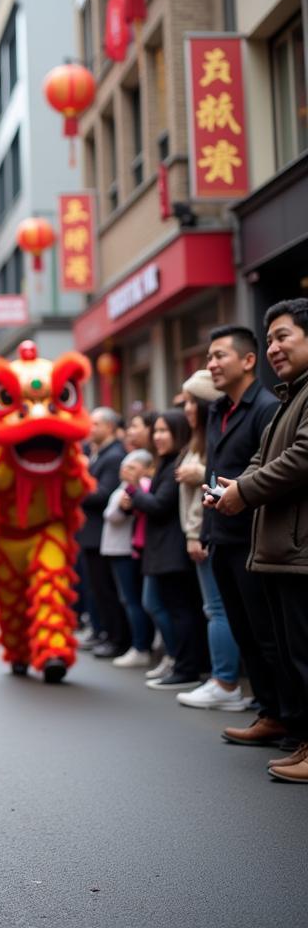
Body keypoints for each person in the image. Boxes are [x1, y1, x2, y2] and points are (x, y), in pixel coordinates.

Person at [212, 299, 308, 781]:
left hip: (298, 548)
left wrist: (244, 492)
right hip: (278, 548)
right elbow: (260, 459)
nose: (273, 347)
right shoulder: (290, 396)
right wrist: (236, 488)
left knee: (301, 651)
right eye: (269, 338)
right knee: (288, 651)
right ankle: (296, 734)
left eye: (283, 337)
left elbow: (302, 457)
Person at [201, 324, 285, 747]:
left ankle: (285, 717)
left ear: (248, 360)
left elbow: (269, 475)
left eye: (220, 356)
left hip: (254, 540)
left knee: (267, 635)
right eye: (209, 357)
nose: (212, 364)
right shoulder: (217, 410)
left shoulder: (267, 408)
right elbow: (209, 470)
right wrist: (203, 530)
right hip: (221, 537)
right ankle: (268, 711)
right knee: (244, 632)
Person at [174, 370, 246, 713]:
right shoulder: (199, 439)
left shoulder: (215, 436)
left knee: (217, 609)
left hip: (212, 532)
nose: (186, 408)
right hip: (204, 532)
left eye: (191, 401)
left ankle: (225, 681)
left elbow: (220, 482)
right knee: (215, 608)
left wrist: (195, 534)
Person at [122, 410, 206, 690]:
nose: (157, 436)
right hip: (161, 550)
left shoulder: (175, 466)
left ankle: (185, 666)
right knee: (161, 605)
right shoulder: (167, 462)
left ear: (179, 432)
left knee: (178, 609)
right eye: (155, 431)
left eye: (164, 431)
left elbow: (159, 506)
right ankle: (177, 660)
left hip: (172, 551)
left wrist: (134, 491)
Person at [79, 408, 128, 658]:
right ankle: (104, 633)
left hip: (102, 534)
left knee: (107, 590)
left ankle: (116, 638)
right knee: (96, 589)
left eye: (96, 423)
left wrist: (77, 487)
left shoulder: (114, 455)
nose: (90, 428)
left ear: (109, 427)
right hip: (91, 534)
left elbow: (103, 494)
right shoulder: (98, 454)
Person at [102, 450, 155, 668]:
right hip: (118, 549)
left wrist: (126, 505)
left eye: (132, 467)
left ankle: (141, 646)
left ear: (146, 469)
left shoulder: (138, 488)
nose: (125, 470)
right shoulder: (126, 487)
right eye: (125, 466)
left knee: (133, 600)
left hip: (126, 550)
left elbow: (114, 515)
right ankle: (138, 645)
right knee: (129, 599)